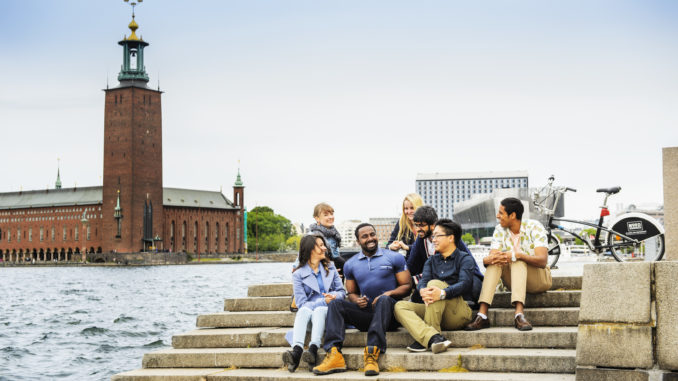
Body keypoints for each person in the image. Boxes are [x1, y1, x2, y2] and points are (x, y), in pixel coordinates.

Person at [312, 223, 411, 377]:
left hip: (390, 315)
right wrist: (357, 300)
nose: (370, 238)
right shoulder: (350, 264)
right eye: (365, 236)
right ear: (358, 241)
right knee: (336, 303)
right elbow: (351, 293)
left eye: (372, 234)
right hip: (366, 315)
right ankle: (334, 355)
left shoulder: (394, 257)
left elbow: (407, 286)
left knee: (384, 300)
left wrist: (388, 294)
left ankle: (372, 354)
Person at [465, 197, 552, 332]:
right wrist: (488, 260)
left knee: (517, 259)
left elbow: (542, 261)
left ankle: (519, 314)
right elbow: (492, 257)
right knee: (496, 261)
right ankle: (482, 315)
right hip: (514, 280)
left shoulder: (534, 227)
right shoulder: (500, 230)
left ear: (512, 215)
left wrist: (518, 255)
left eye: (501, 213)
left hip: (539, 280)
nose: (497, 216)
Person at [394, 219, 478, 353]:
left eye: (437, 236)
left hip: (457, 312)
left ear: (451, 238)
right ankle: (433, 338)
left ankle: (429, 336)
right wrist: (422, 290)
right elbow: (423, 281)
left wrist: (443, 293)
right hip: (433, 309)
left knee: (434, 284)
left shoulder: (464, 258)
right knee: (399, 306)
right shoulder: (431, 260)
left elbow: (465, 284)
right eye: (433, 236)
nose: (433, 240)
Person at [283, 235, 346, 372]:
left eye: (324, 245)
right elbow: (301, 304)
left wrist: (333, 296)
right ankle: (297, 351)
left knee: (319, 310)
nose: (325, 248)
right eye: (321, 245)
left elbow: (342, 292)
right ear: (311, 249)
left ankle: (312, 349)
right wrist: (323, 300)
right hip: (309, 316)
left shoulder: (331, 267)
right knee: (305, 310)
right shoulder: (298, 274)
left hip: (330, 313)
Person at [407, 206, 478, 303]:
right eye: (416, 225)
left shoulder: (449, 238)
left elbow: (469, 262)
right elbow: (411, 266)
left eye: (422, 225)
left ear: (433, 225)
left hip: (454, 277)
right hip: (433, 278)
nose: (418, 229)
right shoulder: (420, 240)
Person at [308, 203, 345, 276]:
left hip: (335, 269)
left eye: (331, 214)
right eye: (326, 215)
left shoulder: (334, 233)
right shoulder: (312, 235)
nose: (330, 217)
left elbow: (336, 255)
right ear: (317, 218)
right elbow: (303, 255)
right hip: (321, 270)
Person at [387, 193, 423, 259]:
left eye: (412, 208)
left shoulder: (425, 224)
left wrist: (407, 247)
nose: (408, 211)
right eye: (406, 208)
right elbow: (388, 245)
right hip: (404, 264)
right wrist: (391, 246)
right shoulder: (401, 223)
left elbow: (425, 247)